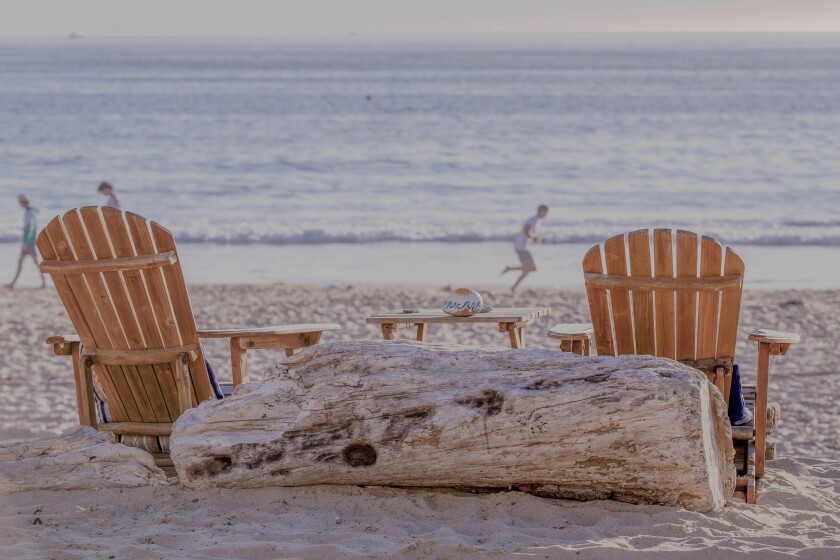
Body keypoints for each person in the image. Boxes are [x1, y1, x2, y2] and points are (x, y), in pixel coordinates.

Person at [501, 204, 548, 292]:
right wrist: (533, 238)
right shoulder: (534, 219)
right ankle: (509, 269)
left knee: (526, 270)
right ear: (541, 211)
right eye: (545, 212)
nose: (546, 214)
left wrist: (539, 240)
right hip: (521, 247)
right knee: (533, 268)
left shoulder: (536, 219)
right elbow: (526, 230)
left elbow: (529, 234)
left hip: (520, 246)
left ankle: (514, 287)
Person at [5, 195, 46, 289]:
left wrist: (26, 243)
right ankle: (13, 283)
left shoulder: (29, 212)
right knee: (26, 262)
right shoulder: (33, 211)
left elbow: (30, 228)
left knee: (30, 262)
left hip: (29, 243)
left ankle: (13, 283)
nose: (19, 204)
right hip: (31, 241)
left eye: (20, 202)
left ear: (23, 202)